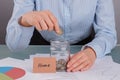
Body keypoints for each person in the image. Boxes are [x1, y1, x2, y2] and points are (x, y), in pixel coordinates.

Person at [6, 0, 117, 72]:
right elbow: (14, 46)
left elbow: (107, 32)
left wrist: (93, 51)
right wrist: (24, 21)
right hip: (41, 45)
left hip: (83, 48)